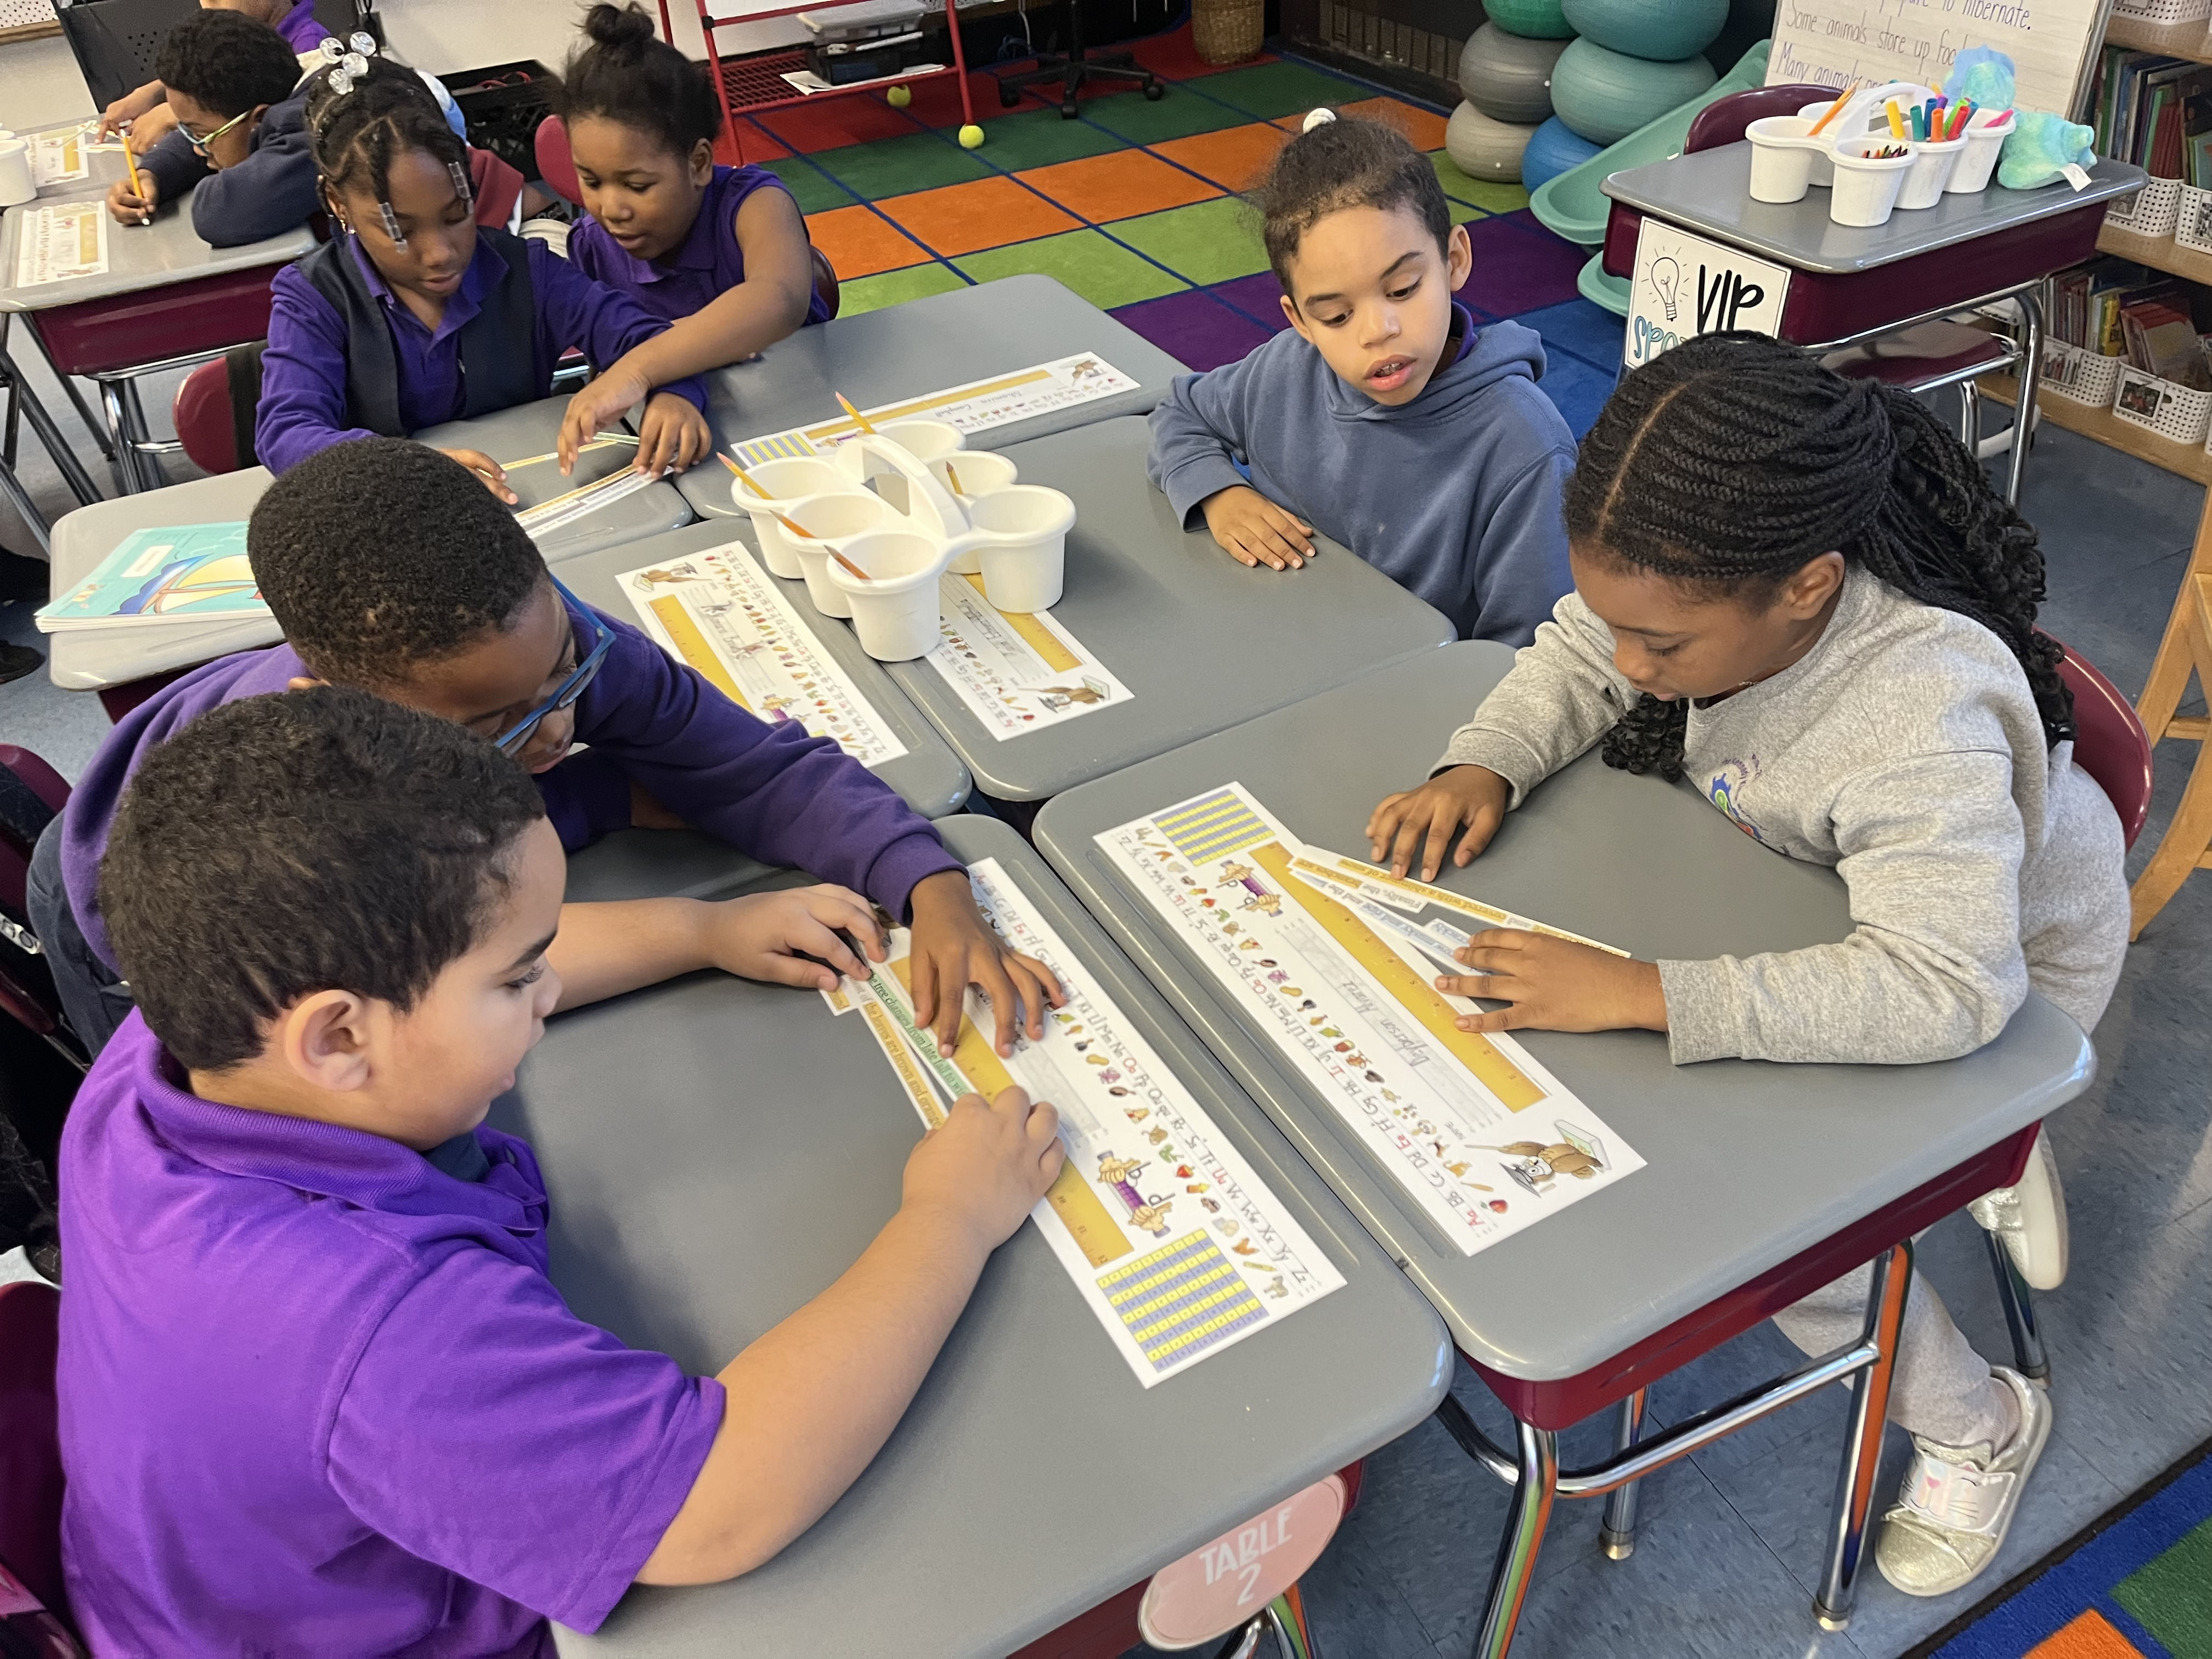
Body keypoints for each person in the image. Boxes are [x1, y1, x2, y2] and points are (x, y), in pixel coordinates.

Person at [57, 686, 1065, 1654]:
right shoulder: (372, 1328)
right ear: (337, 1036)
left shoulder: (185, 1036)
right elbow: (718, 1506)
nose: (543, 990)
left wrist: (698, 928)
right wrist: (948, 1217)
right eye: (516, 979)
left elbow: (437, 965)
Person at [1365, 332, 2129, 1596]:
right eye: (1621, 624)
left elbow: (1950, 985)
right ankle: (1967, 1175)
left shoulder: (1917, 711)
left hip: (2002, 972)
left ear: (1809, 588)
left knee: (1806, 1256)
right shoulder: (1700, 590)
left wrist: (1643, 995)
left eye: (1660, 645)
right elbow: (1574, 647)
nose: (1628, 668)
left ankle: (1979, 1422)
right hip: (1819, 905)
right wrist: (1485, 759)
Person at [27, 439, 1057, 1066]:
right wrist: (701, 928)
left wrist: (930, 883)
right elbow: (435, 980)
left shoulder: (534, 644)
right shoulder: (303, 812)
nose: (558, 723)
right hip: (134, 928)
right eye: (498, 726)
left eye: (560, 678)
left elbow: (755, 768)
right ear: (339, 710)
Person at [1144, 110, 1575, 645]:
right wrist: (1221, 493)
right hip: (1279, 646)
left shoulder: (1524, 448)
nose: (1378, 331)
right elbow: (1181, 413)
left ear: (1455, 261)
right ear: (1300, 320)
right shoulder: (1283, 370)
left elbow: (1528, 657)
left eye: (1402, 290)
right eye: (1337, 317)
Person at [254, 57, 711, 490]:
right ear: (339, 205)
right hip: (392, 526)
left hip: (531, 506)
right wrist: (408, 471)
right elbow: (286, 433)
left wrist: (675, 393)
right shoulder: (313, 298)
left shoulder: (527, 271)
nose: (439, 253)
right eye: (401, 229)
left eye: (457, 215)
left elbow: (649, 341)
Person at [546, 4, 828, 465]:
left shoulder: (754, 205)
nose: (611, 209)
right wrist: (667, 392)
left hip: (807, 424)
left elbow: (777, 301)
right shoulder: (591, 246)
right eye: (591, 182)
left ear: (697, 163)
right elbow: (610, 372)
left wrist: (641, 367)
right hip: (702, 461)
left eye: (638, 186)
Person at [109, 10, 316, 245]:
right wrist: (152, 175)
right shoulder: (274, 86)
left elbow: (218, 214)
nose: (198, 149)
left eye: (203, 136)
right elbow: (208, 128)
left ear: (259, 120)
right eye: (194, 134)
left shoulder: (315, 133)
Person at [98, 0, 331, 151]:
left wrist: (175, 115)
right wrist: (155, 90)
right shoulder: (242, 42)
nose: (209, 4)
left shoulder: (311, 48)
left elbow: (266, 118)